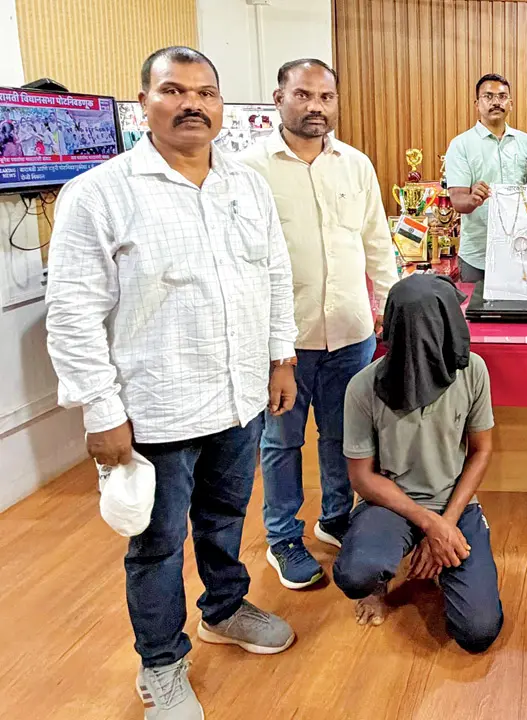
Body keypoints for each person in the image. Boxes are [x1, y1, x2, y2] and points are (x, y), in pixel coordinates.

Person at [44, 46, 298, 720]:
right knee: (156, 545)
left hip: (238, 398)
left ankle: (223, 609)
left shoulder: (245, 186)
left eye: (206, 92)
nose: (192, 103)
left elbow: (273, 273)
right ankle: (161, 662)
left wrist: (280, 358)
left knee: (224, 521)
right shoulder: (99, 193)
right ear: (143, 103)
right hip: (153, 410)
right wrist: (100, 409)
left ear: (220, 105)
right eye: (174, 90)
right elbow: (71, 312)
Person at [238, 59, 399, 590]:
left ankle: (335, 519)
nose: (316, 107)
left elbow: (377, 242)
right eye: (304, 95)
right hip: (284, 341)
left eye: (326, 97)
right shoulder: (247, 169)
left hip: (352, 332)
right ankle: (284, 536)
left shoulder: (354, 164)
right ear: (278, 97)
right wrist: (264, 344)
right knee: (281, 441)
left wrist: (391, 311)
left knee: (342, 436)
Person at [333, 274, 503, 653]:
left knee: (479, 632)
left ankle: (444, 560)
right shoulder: (363, 387)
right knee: (355, 575)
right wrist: (430, 524)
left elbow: (482, 450)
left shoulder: (472, 371)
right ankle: (382, 580)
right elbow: (361, 477)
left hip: (454, 503)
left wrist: (446, 522)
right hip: (390, 505)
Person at [445, 74, 527, 282]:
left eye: (502, 96)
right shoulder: (461, 145)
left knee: (518, 314)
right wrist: (472, 199)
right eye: (488, 96)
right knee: (475, 313)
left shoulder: (525, 143)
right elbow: (457, 200)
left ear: (511, 104)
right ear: (477, 103)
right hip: (478, 255)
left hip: (522, 250)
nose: (496, 102)